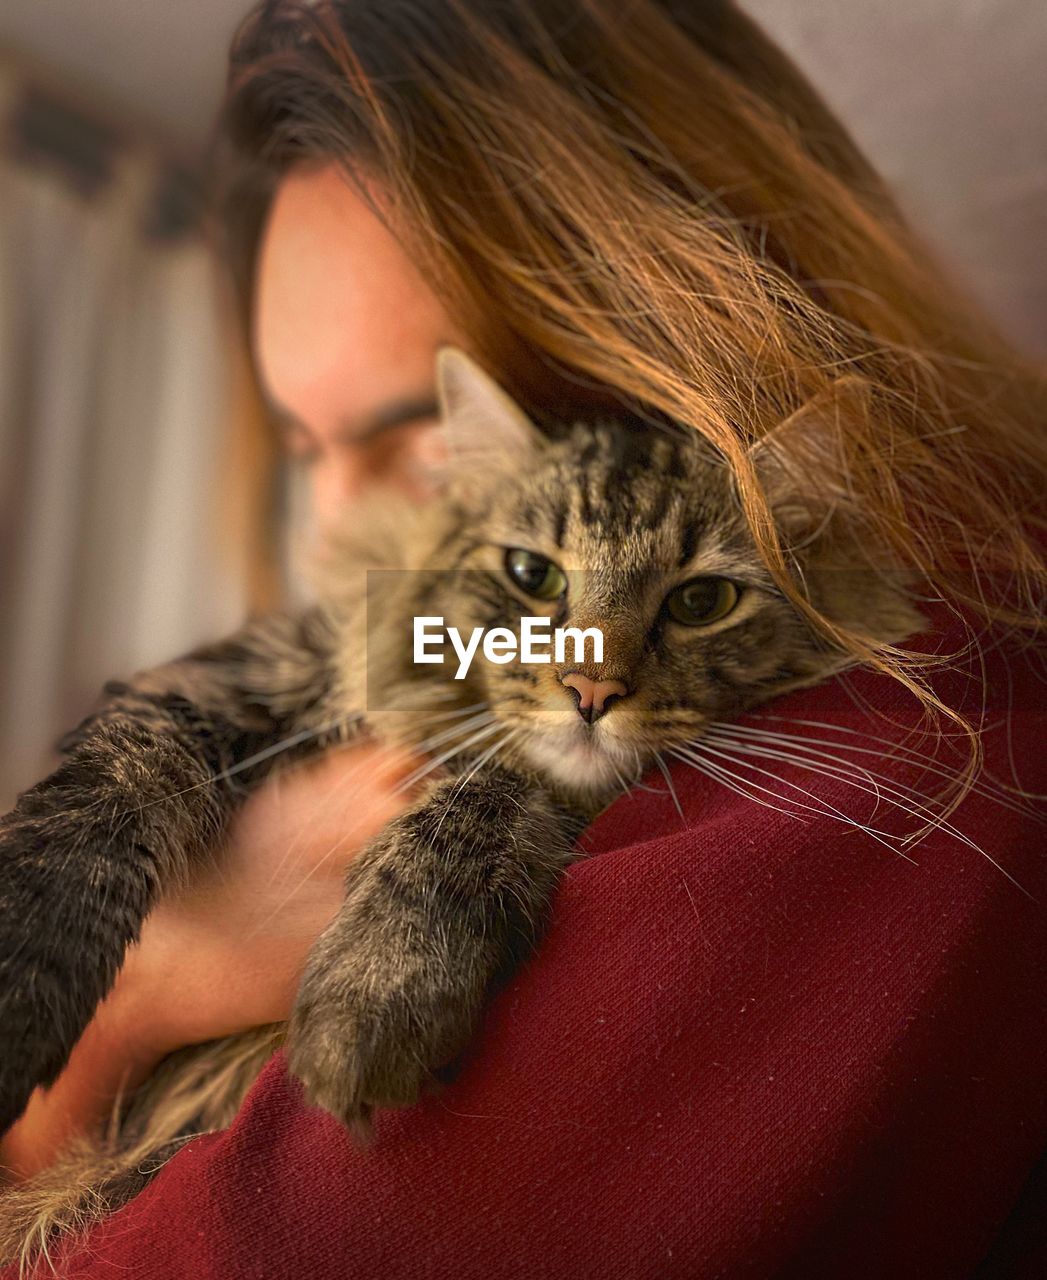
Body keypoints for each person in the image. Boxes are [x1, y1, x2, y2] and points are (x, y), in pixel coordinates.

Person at [2, 1, 1046, 1274]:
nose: (340, 524)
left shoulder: (928, 729)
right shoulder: (451, 633)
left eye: (422, 438)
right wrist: (149, 975)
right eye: (303, 446)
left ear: (663, 333)